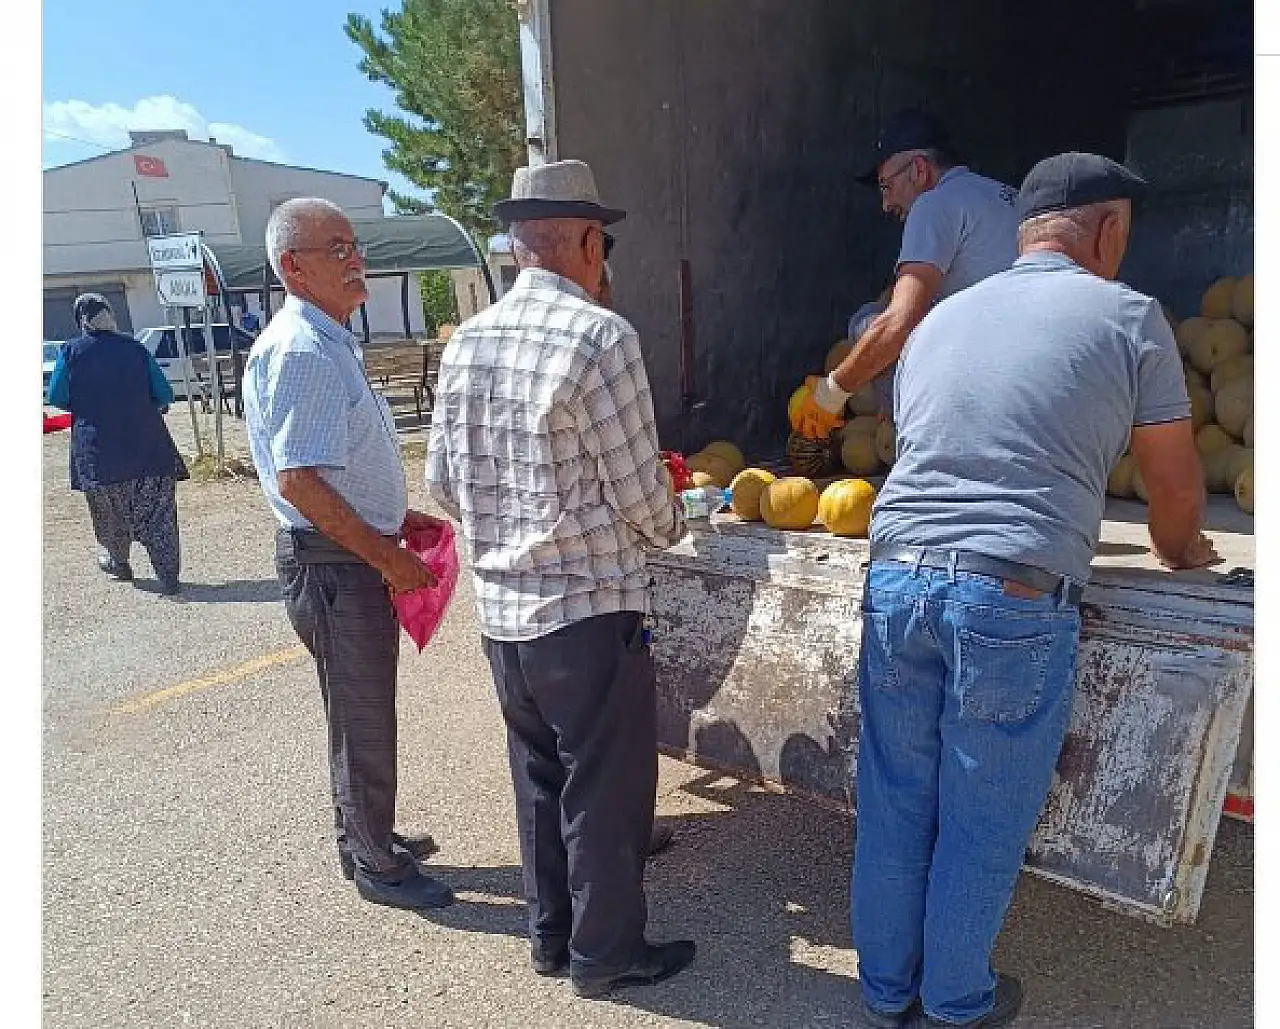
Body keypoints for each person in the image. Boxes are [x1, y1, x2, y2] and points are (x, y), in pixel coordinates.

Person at [848, 152, 1217, 1029]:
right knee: (982, 811)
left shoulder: (937, 320)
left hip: (897, 575)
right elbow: (1174, 489)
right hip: (1009, 592)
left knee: (898, 794)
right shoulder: (1132, 316)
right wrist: (1184, 552)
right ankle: (954, 1000)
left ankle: (883, 992)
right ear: (1109, 229)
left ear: (1024, 236)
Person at [426, 159, 695, 998]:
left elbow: (441, 481)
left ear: (515, 247)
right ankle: (608, 955)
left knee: (540, 780)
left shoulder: (466, 340)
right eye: (602, 246)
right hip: (586, 613)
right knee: (605, 793)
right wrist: (676, 518)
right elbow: (643, 498)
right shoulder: (601, 335)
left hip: (503, 615)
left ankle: (551, 938)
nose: (604, 262)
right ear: (584, 242)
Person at [242, 197, 454, 913]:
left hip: (343, 553)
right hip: (335, 564)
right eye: (336, 248)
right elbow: (300, 479)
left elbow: (326, 468)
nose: (355, 258)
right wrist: (385, 554)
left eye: (354, 244)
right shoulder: (302, 348)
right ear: (292, 267)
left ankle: (366, 835)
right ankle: (377, 864)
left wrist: (396, 517)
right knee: (363, 715)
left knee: (355, 710)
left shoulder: (326, 338)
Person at [795, 110, 1019, 438]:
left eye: (886, 186)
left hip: (985, 388)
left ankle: (912, 438)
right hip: (1031, 377)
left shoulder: (933, 204)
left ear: (918, 169)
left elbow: (900, 320)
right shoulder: (1006, 195)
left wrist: (831, 393)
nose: (885, 204)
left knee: (868, 322)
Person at [47, 293, 188, 595]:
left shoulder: (70, 352)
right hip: (149, 449)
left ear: (80, 320)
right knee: (159, 514)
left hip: (98, 454)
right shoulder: (135, 349)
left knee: (109, 514)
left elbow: (56, 396)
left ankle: (118, 562)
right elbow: (164, 394)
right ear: (111, 315)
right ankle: (168, 575)